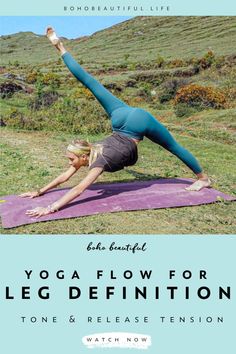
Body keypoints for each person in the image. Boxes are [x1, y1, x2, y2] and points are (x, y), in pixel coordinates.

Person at [21, 27, 211, 218]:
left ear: (84, 157)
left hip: (137, 123)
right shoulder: (90, 151)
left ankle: (204, 179)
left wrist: (49, 208)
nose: (70, 162)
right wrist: (39, 192)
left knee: (173, 146)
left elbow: (78, 189)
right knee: (90, 82)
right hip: (121, 116)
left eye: (71, 159)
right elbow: (65, 176)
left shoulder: (99, 162)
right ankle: (60, 46)